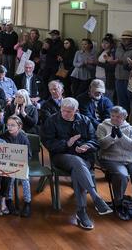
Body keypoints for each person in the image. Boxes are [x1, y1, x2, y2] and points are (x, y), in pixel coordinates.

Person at [40, 97, 112, 230]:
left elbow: (95, 140)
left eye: (69, 111)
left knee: (77, 169)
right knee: (77, 162)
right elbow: (48, 143)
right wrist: (67, 143)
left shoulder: (84, 120)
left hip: (83, 156)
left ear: (76, 111)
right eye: (63, 110)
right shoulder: (52, 120)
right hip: (61, 156)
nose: (65, 114)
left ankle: (82, 212)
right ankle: (96, 198)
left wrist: (86, 146)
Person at [97, 106, 132, 219]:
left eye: (118, 117)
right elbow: (102, 145)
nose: (114, 119)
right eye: (112, 116)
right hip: (112, 158)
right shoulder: (102, 126)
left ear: (124, 117)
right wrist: (112, 136)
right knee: (121, 175)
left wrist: (121, 136)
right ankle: (118, 203)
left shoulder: (131, 128)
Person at [2, 115, 32, 217]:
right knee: (10, 178)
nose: (9, 127)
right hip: (8, 164)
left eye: (13, 125)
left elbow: (28, 154)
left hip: (21, 163)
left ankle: (27, 202)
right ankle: (9, 200)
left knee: (25, 179)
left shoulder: (23, 138)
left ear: (19, 126)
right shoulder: (3, 136)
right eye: (8, 125)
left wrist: (21, 163)